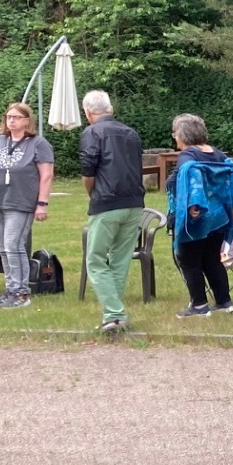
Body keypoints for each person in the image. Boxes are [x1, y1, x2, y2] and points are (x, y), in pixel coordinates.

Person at [0, 102, 54, 309]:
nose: (12, 120)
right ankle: (10, 289)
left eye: (16, 117)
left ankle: (22, 293)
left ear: (27, 120)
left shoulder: (38, 144)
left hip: (20, 202)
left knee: (13, 245)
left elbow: (46, 175)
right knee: (3, 248)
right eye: (9, 117)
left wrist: (42, 203)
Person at [166, 114, 233, 318]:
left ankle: (199, 306)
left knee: (189, 260)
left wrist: (193, 206)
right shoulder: (217, 153)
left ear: (183, 135)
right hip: (219, 216)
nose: (174, 137)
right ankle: (223, 302)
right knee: (213, 259)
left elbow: (190, 180)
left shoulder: (187, 157)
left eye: (175, 133)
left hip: (196, 215)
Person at [78, 90, 146, 334]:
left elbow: (89, 171)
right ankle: (114, 316)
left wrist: (93, 195)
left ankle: (115, 314)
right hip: (135, 202)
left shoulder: (92, 132)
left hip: (106, 202)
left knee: (95, 260)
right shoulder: (131, 133)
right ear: (111, 108)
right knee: (120, 259)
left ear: (87, 112)